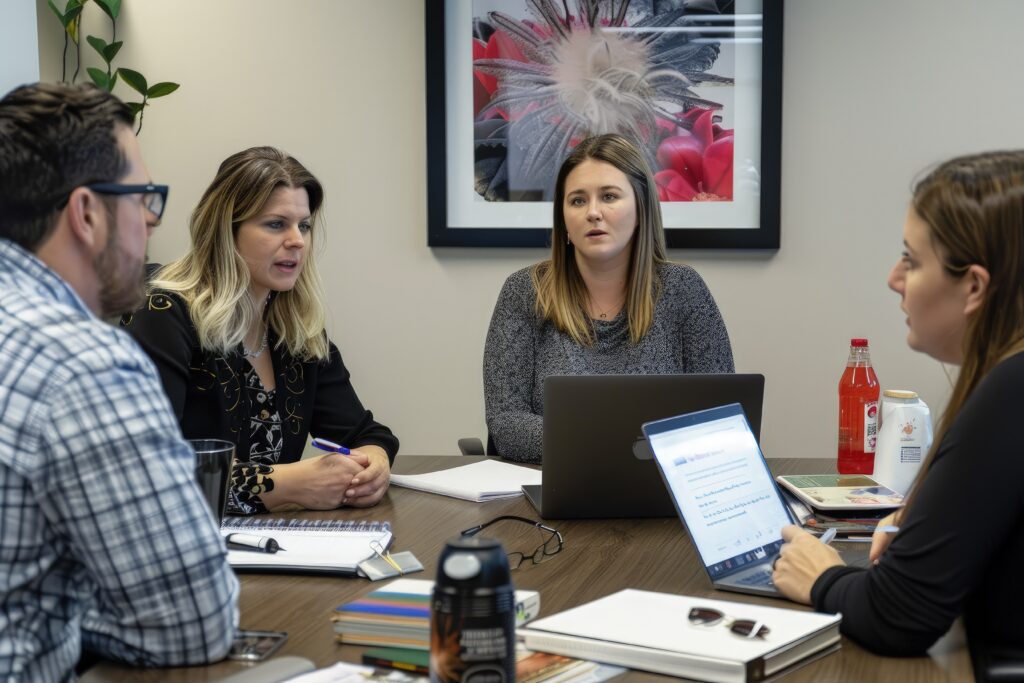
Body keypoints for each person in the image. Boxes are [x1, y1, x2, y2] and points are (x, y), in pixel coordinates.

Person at [0, 83, 238, 680]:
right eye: (142, 199)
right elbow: (193, 623)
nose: (152, 223)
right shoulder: (83, 362)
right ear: (86, 213)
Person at [771, 151, 1024, 680]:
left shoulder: (1010, 392)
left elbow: (898, 616)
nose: (893, 278)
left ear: (974, 286)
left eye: (911, 259)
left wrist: (822, 577)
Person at [122, 147, 398, 515]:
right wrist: (289, 484)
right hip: (183, 550)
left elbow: (362, 434)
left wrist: (373, 464)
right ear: (225, 230)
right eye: (275, 224)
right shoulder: (162, 314)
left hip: (274, 548)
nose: (297, 240)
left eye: (304, 225)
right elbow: (146, 470)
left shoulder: (294, 329)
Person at [484, 134, 734, 463]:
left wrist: (596, 443)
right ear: (563, 219)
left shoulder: (683, 290)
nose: (593, 213)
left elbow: (719, 418)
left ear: (642, 209)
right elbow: (506, 423)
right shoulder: (524, 291)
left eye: (609, 196)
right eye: (577, 201)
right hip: (553, 488)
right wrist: (619, 447)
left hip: (661, 493)